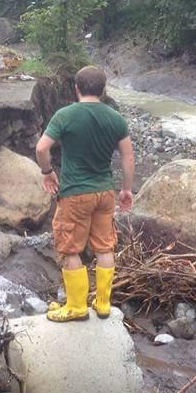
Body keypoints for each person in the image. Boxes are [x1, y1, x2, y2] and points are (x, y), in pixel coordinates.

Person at [35, 66, 135, 322]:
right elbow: (127, 156)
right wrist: (126, 189)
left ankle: (77, 306)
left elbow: (42, 148)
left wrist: (47, 172)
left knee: (70, 248)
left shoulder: (65, 115)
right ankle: (103, 304)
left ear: (77, 88)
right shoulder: (115, 118)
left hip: (75, 193)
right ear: (103, 90)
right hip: (104, 192)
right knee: (104, 246)